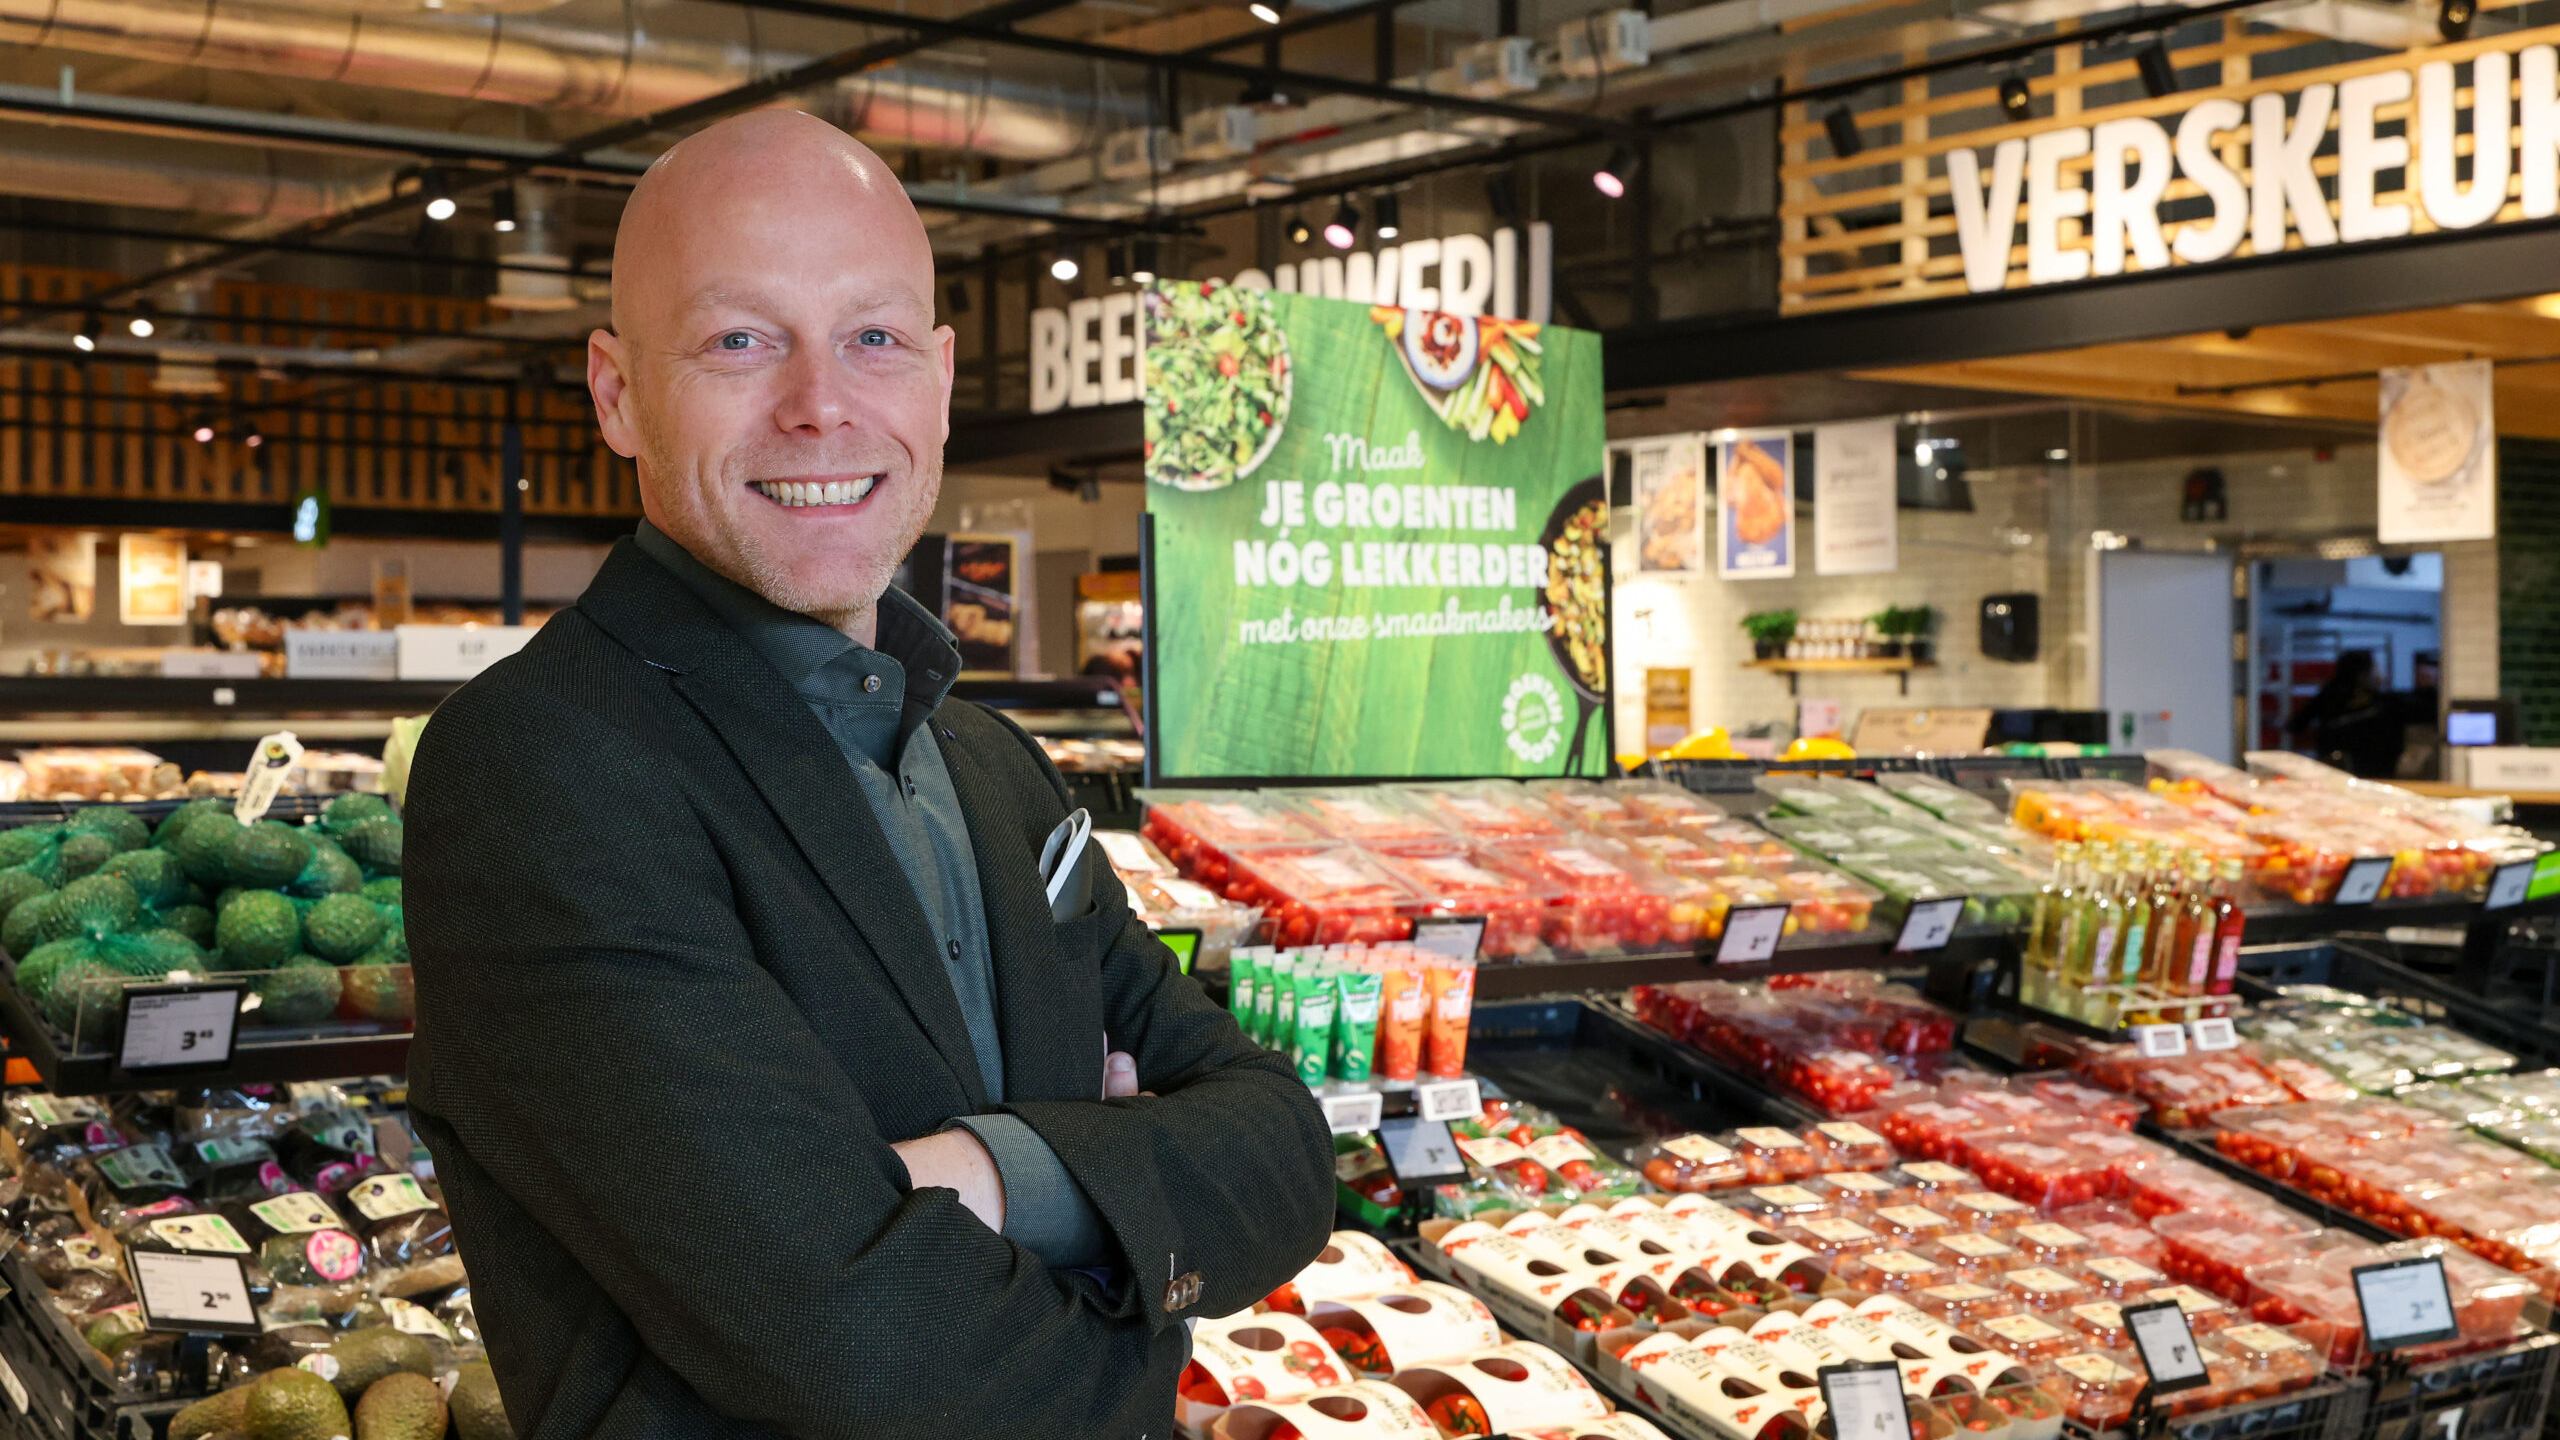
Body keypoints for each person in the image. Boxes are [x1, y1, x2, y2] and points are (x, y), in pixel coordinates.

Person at [403, 110, 1335, 1437]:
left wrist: (985, 1181)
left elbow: (1288, 1149)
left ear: (942, 382)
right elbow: (860, 1347)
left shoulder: (992, 763)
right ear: (616, 393)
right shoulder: (541, 770)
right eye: (741, 339)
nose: (820, 402)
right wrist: (1141, 1286)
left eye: (873, 337)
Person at [2285, 648, 2403, 777]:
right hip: (2356, 774)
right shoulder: (2379, 703)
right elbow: (2296, 724)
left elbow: (2295, 724)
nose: (2381, 675)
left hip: (2339, 773)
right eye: (2375, 669)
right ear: (2361, 674)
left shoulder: (2329, 694)